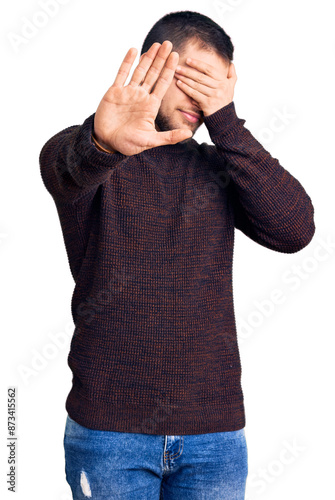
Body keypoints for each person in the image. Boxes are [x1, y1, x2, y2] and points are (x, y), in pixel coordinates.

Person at [39, 10, 315, 500]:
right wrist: (102, 142)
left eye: (216, 88)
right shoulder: (94, 156)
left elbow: (295, 230)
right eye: (192, 79)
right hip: (109, 436)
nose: (202, 100)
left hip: (215, 438)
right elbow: (62, 167)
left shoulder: (222, 167)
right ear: (154, 65)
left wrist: (227, 124)